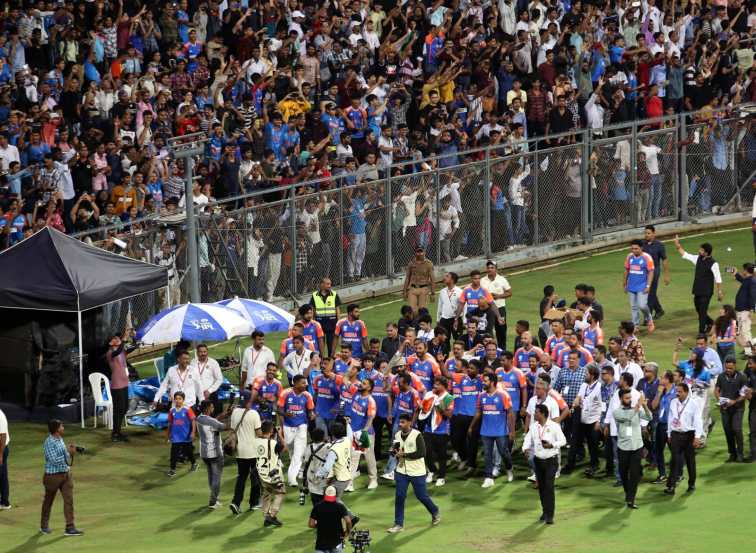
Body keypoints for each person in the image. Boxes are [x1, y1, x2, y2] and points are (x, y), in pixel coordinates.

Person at [386, 413, 441, 533]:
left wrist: (404, 455)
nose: (400, 425)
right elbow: (395, 448)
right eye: (400, 422)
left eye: (403, 422)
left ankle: (435, 511)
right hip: (401, 471)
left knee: (421, 496)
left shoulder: (417, 435)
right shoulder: (397, 435)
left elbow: (422, 453)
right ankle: (398, 524)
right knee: (400, 497)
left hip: (417, 472)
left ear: (410, 422)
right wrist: (392, 451)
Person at [522, 403, 566, 524]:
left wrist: (552, 445)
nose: (534, 414)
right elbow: (528, 439)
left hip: (551, 460)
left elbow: (563, 441)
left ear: (542, 414)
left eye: (536, 412)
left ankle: (550, 515)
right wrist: (525, 448)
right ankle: (545, 511)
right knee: (542, 488)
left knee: (549, 487)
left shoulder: (554, 426)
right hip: (538, 460)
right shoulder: (534, 427)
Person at [470, 372, 515, 488]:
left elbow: (510, 413)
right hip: (486, 431)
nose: (483, 383)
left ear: (492, 382)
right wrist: (471, 426)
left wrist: (512, 431)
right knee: (487, 455)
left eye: (485, 381)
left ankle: (509, 468)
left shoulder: (503, 395)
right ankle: (488, 477)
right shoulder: (481, 396)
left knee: (504, 452)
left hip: (501, 431)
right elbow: (478, 413)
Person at [673, 236, 723, 334]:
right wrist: (678, 246)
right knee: (699, 311)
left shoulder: (714, 264)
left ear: (706, 252)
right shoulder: (698, 259)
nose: (699, 251)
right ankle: (711, 323)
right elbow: (686, 255)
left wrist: (719, 292)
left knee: (702, 312)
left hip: (707, 292)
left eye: (701, 250)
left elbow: (718, 278)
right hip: (697, 290)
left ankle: (701, 333)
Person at [40, 419, 82, 536]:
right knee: (48, 501)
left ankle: (70, 527)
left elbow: (64, 456)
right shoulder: (49, 442)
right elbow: (53, 460)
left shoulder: (60, 439)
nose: (63, 427)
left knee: (69, 500)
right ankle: (44, 526)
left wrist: (70, 453)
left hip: (65, 475)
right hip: (52, 476)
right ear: (56, 429)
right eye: (61, 426)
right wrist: (67, 453)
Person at [613, 389, 652, 508]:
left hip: (637, 446)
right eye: (626, 398)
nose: (629, 400)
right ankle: (628, 493)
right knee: (624, 474)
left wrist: (644, 406)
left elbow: (649, 417)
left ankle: (631, 499)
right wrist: (637, 406)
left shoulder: (636, 409)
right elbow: (628, 418)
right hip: (623, 447)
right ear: (621, 399)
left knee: (634, 474)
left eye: (630, 398)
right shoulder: (617, 412)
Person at [665, 382, 703, 495]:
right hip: (676, 434)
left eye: (680, 392)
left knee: (690, 461)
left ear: (686, 392)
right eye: (677, 391)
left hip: (689, 435)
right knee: (674, 461)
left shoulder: (693, 404)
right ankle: (671, 486)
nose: (678, 393)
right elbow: (670, 419)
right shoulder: (673, 402)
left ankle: (691, 484)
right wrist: (669, 434)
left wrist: (697, 437)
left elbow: (698, 421)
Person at [229, 392, 264, 515]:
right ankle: (254, 503)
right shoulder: (254, 413)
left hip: (240, 451)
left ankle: (236, 502)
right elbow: (259, 433)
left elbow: (233, 430)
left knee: (241, 477)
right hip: (253, 451)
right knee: (255, 478)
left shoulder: (234, 412)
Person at [278, 375, 315, 487]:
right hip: (288, 426)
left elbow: (310, 410)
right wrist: (285, 414)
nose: (306, 385)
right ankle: (300, 469)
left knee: (298, 453)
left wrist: (311, 415)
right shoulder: (285, 393)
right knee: (292, 450)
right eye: (303, 383)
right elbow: (279, 410)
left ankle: (291, 479)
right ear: (295, 383)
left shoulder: (307, 395)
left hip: (302, 426)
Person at [196, 399, 230, 509]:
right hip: (215, 453)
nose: (213, 408)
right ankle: (213, 501)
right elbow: (224, 427)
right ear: (207, 409)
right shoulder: (211, 421)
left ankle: (214, 499)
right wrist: (233, 418)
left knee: (211, 476)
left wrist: (224, 415)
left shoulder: (200, 418)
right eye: (212, 407)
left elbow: (213, 421)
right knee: (216, 478)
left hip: (204, 453)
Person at [105, 330, 137, 442]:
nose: (117, 339)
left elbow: (134, 346)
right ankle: (115, 433)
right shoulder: (110, 353)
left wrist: (134, 338)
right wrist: (123, 339)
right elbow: (118, 350)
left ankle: (117, 432)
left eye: (117, 338)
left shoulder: (122, 351)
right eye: (114, 338)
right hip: (117, 385)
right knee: (118, 409)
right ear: (110, 343)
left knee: (124, 408)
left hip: (124, 383)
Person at [714, 356, 748, 462]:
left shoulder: (742, 377)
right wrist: (720, 399)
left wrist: (735, 401)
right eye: (726, 368)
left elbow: (745, 393)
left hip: (738, 408)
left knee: (737, 429)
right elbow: (717, 389)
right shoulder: (721, 376)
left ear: (735, 366)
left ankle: (740, 453)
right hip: (725, 408)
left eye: (730, 368)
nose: (728, 370)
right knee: (728, 431)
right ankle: (732, 454)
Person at [255, 420, 287, 527]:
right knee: (280, 493)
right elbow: (284, 448)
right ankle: (272, 516)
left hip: (261, 474)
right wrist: (280, 434)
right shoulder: (273, 443)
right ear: (271, 430)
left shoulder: (255, 442)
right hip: (273, 475)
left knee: (266, 494)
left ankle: (266, 517)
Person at [623, 239, 655, 332]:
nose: (634, 250)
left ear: (641, 248)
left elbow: (651, 272)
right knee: (633, 307)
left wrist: (648, 286)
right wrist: (624, 283)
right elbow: (626, 270)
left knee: (642, 305)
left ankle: (649, 319)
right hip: (631, 286)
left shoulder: (647, 257)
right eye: (632, 248)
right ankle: (635, 325)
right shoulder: (629, 257)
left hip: (642, 286)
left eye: (636, 249)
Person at [308, 485, 352, 553]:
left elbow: (311, 524)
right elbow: (348, 521)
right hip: (336, 542)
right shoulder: (340, 506)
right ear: (335, 494)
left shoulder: (317, 506)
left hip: (321, 544)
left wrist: (321, 525)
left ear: (324, 494)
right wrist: (347, 532)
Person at [481, 260, 513, 350]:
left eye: (492, 267)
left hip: (500, 308)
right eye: (488, 268)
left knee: (501, 331)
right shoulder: (482, 281)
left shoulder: (502, 280)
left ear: (496, 269)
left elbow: (509, 293)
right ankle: (488, 350)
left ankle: (503, 351)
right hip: (486, 310)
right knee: (487, 331)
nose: (489, 269)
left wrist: (498, 296)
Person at [642, 225, 670, 319]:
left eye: (648, 233)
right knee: (650, 292)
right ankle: (659, 310)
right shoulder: (642, 245)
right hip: (644, 272)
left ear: (654, 233)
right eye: (645, 233)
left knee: (650, 293)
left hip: (654, 271)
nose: (646, 235)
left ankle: (648, 317)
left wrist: (666, 275)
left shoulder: (660, 245)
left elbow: (664, 260)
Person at [166, 391, 198, 476]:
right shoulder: (171, 410)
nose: (177, 400)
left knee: (188, 452)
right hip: (175, 437)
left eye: (180, 399)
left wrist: (193, 432)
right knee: (173, 454)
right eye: (176, 399)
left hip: (186, 436)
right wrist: (168, 434)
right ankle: (172, 469)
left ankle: (194, 463)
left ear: (183, 400)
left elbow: (193, 421)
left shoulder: (187, 409)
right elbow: (170, 423)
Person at [310, 278, 342, 357]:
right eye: (327, 284)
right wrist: (313, 322)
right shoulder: (314, 295)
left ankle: (330, 362)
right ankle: (321, 362)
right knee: (320, 346)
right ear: (322, 284)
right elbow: (313, 310)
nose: (329, 286)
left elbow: (337, 309)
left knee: (331, 346)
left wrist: (339, 322)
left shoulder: (334, 294)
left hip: (332, 324)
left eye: (330, 284)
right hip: (320, 324)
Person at [191, 343, 224, 413]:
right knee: (197, 415)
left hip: (210, 394)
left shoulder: (213, 363)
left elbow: (220, 379)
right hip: (196, 394)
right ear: (197, 353)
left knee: (212, 415)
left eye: (204, 351)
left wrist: (209, 390)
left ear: (207, 352)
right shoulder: (193, 362)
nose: (203, 353)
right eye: (200, 352)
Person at [403, 246, 435, 315]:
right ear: (415, 253)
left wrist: (433, 293)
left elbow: (432, 279)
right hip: (413, 288)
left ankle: (421, 325)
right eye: (418, 252)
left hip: (423, 289)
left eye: (421, 252)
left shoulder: (429, 264)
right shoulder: (411, 263)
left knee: (421, 311)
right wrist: (404, 291)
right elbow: (407, 278)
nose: (420, 253)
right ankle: (414, 325)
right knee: (412, 311)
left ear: (424, 252)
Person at [733, 263, 756, 356]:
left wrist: (751, 309)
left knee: (745, 331)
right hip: (741, 310)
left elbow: (753, 296)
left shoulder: (752, 281)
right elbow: (743, 280)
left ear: (746, 270)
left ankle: (750, 352)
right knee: (742, 331)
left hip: (745, 310)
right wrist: (736, 274)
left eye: (743, 269)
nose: (743, 271)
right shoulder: (749, 280)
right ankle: (748, 350)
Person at [303, 428, 330, 505]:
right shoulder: (328, 447)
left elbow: (305, 462)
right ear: (323, 437)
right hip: (324, 479)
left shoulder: (308, 447)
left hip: (312, 478)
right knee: (328, 503)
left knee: (316, 505)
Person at [436, 272, 463, 340]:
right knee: (444, 341)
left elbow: (463, 306)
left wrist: (463, 320)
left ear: (452, 279)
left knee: (458, 339)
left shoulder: (460, 291)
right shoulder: (442, 291)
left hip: (456, 319)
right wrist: (438, 319)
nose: (444, 278)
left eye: (447, 276)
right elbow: (440, 306)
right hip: (444, 320)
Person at [0, 408, 9, 510]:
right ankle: (4, 502)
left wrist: (0, 454)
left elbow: (3, 435)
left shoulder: (0, 415)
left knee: (2, 476)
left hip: (1, 448)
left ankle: (4, 502)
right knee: (2, 476)